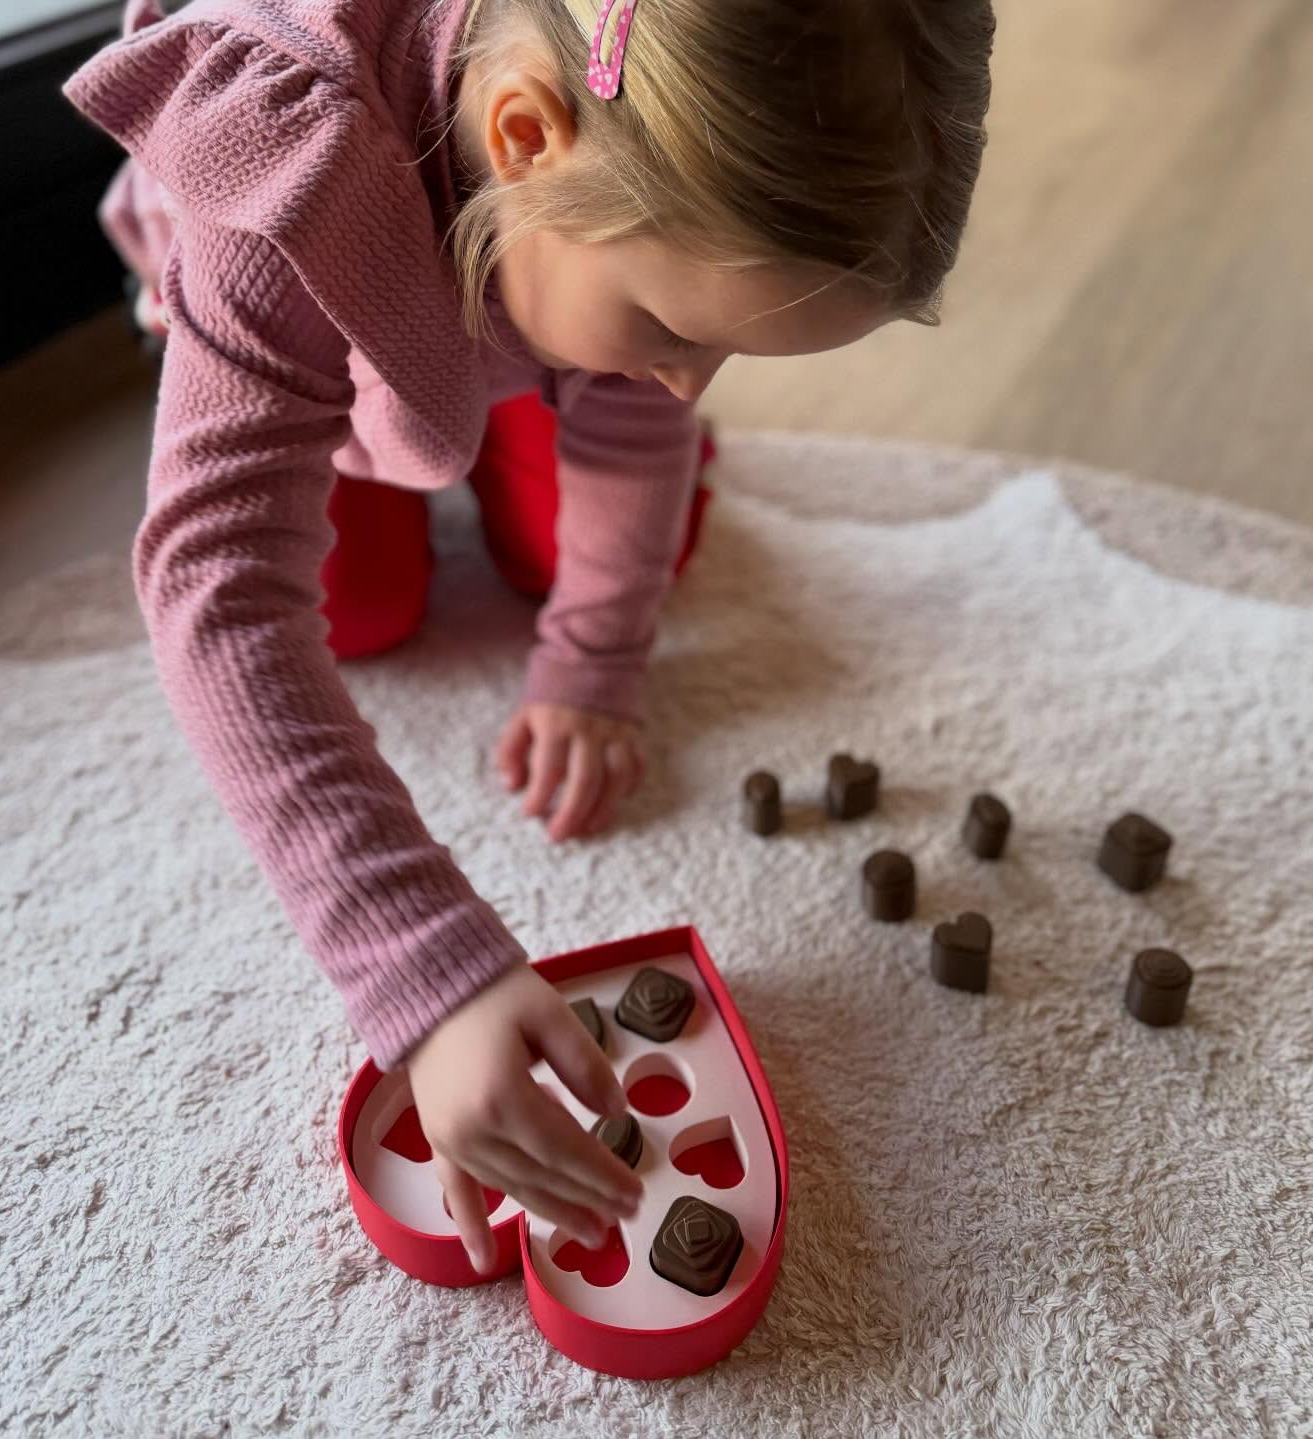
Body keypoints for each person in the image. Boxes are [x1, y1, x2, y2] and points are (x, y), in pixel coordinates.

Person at [65, 0, 995, 1272]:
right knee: (360, 606)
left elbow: (641, 415)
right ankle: (430, 390)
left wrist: (596, 661)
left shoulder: (602, 190)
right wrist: (425, 971)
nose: (691, 384)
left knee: (619, 540)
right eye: (676, 330)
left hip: (507, 277)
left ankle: (519, 371)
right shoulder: (278, 192)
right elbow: (217, 584)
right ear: (522, 138)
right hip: (312, 310)